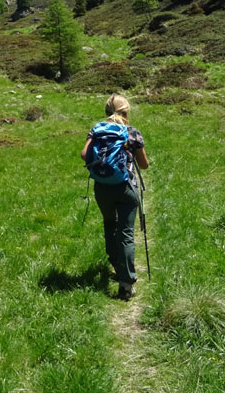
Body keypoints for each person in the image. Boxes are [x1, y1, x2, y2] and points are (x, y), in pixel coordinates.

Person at [80, 94, 149, 300]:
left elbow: (84, 155)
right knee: (126, 232)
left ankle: (116, 265)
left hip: (103, 187)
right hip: (126, 188)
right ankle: (126, 282)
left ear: (106, 111)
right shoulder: (132, 133)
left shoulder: (96, 130)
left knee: (110, 224)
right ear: (126, 111)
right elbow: (144, 165)